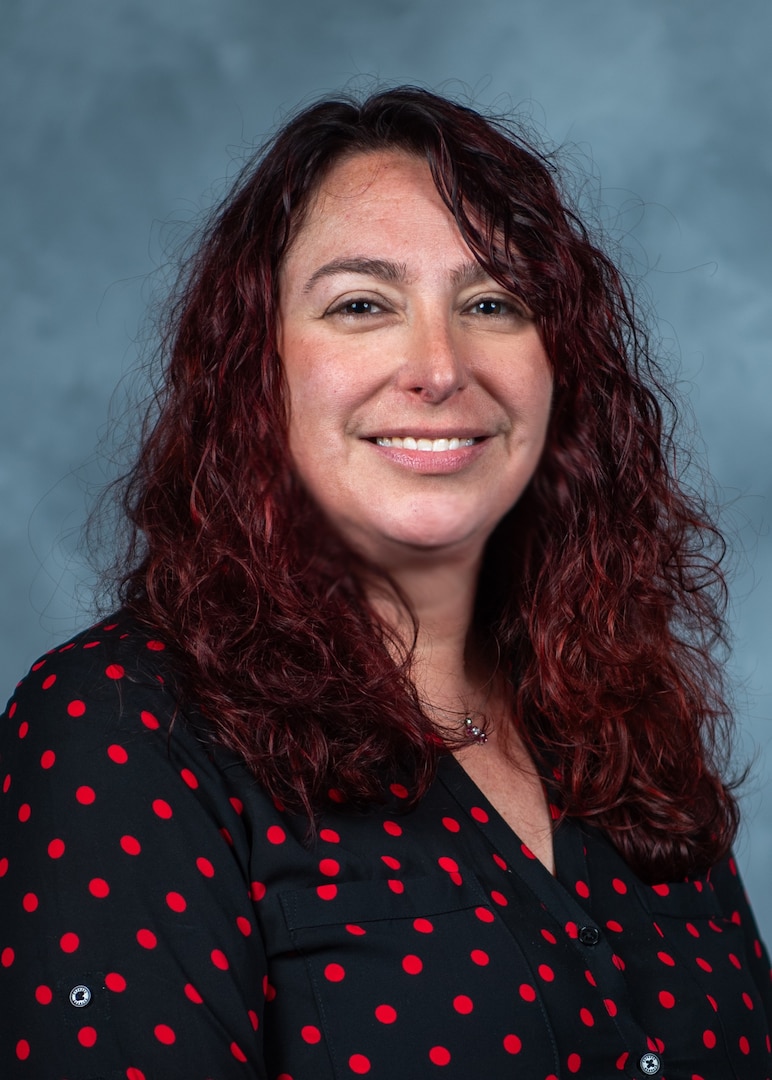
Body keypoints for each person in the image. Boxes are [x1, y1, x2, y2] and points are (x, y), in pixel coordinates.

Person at [0, 86, 769, 1080]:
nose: (438, 367)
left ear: (559, 368)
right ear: (257, 368)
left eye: (490, 303)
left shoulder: (624, 728)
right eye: (362, 305)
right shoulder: (120, 726)